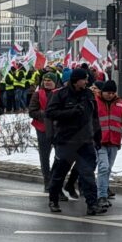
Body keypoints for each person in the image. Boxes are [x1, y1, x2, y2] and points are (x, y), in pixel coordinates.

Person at [46, 67, 105, 215]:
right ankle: (53, 200)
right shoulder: (61, 94)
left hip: (85, 142)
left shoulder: (89, 95)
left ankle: (92, 204)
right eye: (84, 79)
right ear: (75, 80)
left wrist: (98, 137)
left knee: (88, 175)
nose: (86, 82)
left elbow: (95, 118)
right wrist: (70, 113)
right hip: (66, 142)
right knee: (59, 174)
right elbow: (50, 113)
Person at [95, 80, 122, 209]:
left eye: (113, 93)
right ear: (103, 92)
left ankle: (103, 191)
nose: (110, 95)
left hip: (113, 142)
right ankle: (101, 196)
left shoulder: (120, 104)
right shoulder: (95, 102)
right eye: (108, 92)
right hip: (98, 141)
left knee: (107, 169)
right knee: (103, 167)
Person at [28, 72, 59, 192]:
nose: (47, 82)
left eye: (49, 80)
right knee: (44, 156)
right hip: (42, 129)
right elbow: (32, 111)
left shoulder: (60, 93)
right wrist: (44, 115)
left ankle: (55, 178)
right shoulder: (37, 94)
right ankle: (47, 180)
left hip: (58, 129)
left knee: (60, 156)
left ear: (54, 82)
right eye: (45, 80)